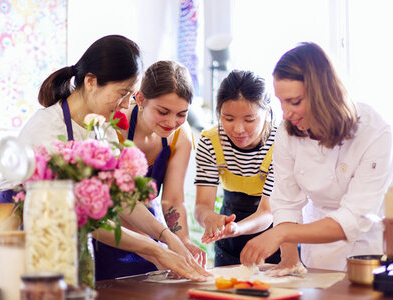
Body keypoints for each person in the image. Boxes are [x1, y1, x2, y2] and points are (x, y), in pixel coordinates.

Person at [0, 35, 210, 281]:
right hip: (18, 235)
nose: (127, 103)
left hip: (69, 239)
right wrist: (154, 249)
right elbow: (80, 214)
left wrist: (167, 236)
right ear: (91, 82)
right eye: (123, 93)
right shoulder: (47, 129)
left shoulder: (103, 130)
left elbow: (120, 200)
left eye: (131, 94)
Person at [240, 42, 393, 273]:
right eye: (282, 102)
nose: (286, 113)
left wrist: (281, 233)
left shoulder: (375, 132)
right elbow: (286, 201)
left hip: (368, 250)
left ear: (324, 94)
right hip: (318, 252)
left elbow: (354, 216)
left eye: (295, 102)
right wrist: (290, 258)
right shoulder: (286, 132)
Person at [116, 60, 207, 272]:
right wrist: (157, 244)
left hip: (152, 231)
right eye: (163, 111)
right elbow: (116, 202)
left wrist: (182, 240)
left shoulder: (180, 137)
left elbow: (172, 199)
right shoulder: (114, 127)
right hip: (113, 234)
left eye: (181, 114)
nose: (171, 122)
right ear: (140, 99)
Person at [194, 70, 281, 267]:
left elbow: (267, 212)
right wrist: (210, 218)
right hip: (229, 241)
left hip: (274, 238)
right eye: (228, 118)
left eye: (249, 119)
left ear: (267, 113)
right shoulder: (211, 141)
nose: (238, 129)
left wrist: (236, 228)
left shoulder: (281, 143)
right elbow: (201, 206)